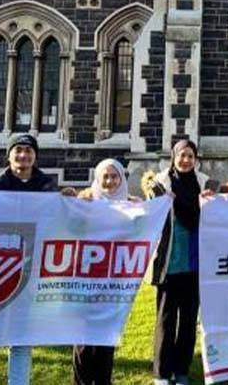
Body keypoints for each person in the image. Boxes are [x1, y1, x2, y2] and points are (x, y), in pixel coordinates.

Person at [0, 133, 61, 385]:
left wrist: (71, 200)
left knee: (21, 340)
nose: (23, 155)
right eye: (18, 150)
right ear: (8, 155)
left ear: (35, 156)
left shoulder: (47, 187)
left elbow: (60, 219)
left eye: (28, 150)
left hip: (30, 271)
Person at [147, 139, 218, 385]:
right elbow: (146, 215)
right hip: (170, 263)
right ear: (174, 157)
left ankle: (181, 370)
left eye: (190, 155)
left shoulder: (206, 184)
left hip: (196, 265)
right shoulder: (159, 184)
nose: (186, 160)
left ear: (195, 159)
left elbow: (220, 212)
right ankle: (162, 373)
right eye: (181, 155)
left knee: (188, 322)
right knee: (166, 322)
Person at [72, 158, 133, 385]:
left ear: (121, 179)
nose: (109, 182)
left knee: (107, 335)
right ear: (97, 179)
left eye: (114, 176)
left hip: (113, 280)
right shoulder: (85, 202)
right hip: (86, 277)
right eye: (105, 177)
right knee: (84, 337)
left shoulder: (130, 206)